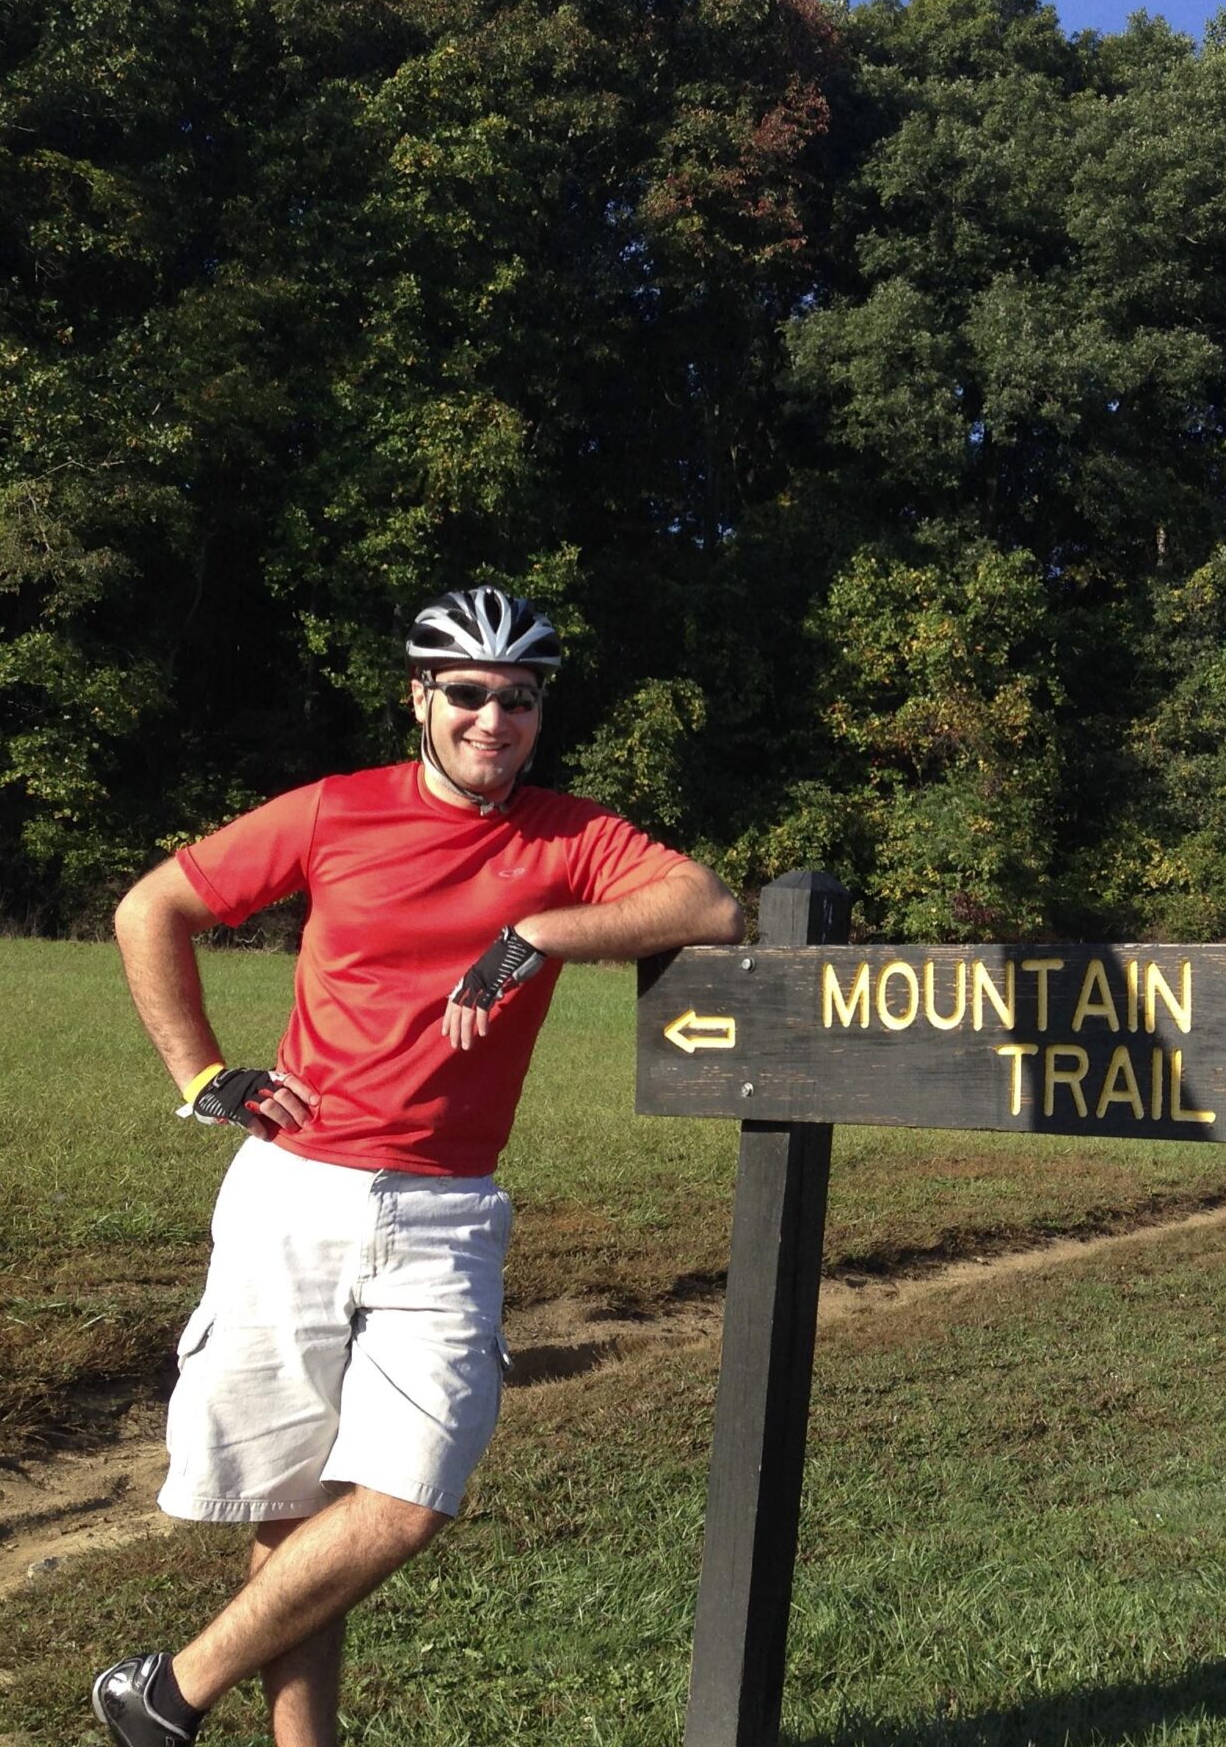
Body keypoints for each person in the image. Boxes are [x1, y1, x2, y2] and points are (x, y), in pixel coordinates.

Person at [94, 586, 742, 1747]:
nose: (493, 720)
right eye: (468, 695)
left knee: (404, 1499)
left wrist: (538, 931)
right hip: (293, 1193)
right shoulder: (336, 812)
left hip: (448, 1210)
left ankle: (167, 1693)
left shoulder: (566, 835)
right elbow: (156, 906)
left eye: (520, 700)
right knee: (292, 1508)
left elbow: (705, 905)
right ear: (420, 698)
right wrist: (203, 1078)